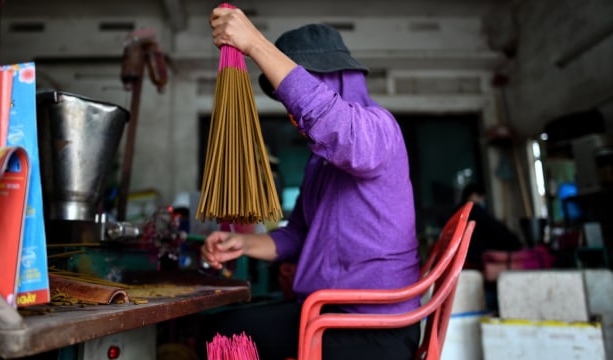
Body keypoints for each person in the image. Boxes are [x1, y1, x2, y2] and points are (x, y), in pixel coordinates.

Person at [200, 7, 420, 360]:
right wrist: (240, 243)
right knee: (218, 329)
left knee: (224, 336)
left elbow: (332, 120)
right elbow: (299, 235)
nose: (292, 113)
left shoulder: (378, 130)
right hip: (329, 316)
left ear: (335, 80)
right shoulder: (320, 164)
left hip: (376, 328)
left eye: (295, 92)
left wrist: (255, 44)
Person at [458, 183, 523, 269]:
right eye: (480, 197)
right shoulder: (474, 210)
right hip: (473, 254)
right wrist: (516, 241)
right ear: (473, 195)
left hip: (463, 253)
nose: (482, 200)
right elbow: (495, 228)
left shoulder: (458, 211)